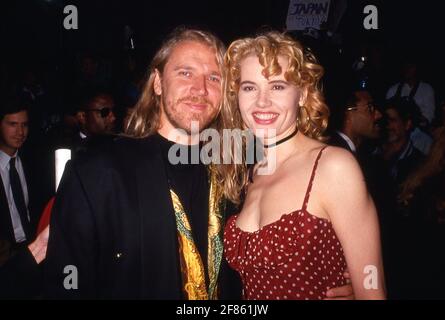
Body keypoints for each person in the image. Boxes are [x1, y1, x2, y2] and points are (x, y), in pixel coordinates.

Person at [44, 27, 353, 299]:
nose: (200, 89)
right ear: (157, 82)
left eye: (214, 77)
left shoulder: (242, 172)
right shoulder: (97, 172)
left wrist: (335, 281)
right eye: (185, 72)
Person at [218, 32, 386, 299]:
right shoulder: (245, 174)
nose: (262, 101)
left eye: (277, 86)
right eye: (249, 87)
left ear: (302, 94)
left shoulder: (333, 167)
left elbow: (372, 288)